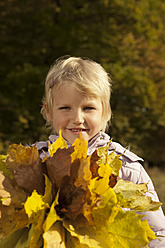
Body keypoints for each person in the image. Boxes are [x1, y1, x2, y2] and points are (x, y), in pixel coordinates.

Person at [38, 56, 165, 247]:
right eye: (65, 108)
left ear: (105, 112)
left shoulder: (125, 166)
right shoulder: (35, 163)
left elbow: (157, 232)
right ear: (49, 111)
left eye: (88, 108)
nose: (78, 118)